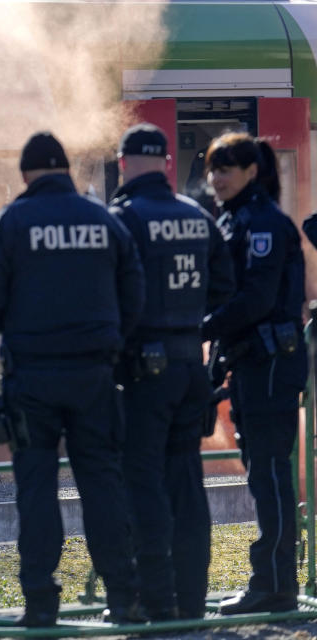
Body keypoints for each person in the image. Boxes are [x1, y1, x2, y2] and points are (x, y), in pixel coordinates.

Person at [0, 132, 146, 626]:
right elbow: (136, 291)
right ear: (65, 170)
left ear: (25, 174)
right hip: (94, 375)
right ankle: (125, 598)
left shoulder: (13, 221)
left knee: (37, 491)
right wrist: (110, 339)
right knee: (103, 487)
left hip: (34, 379)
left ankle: (41, 603)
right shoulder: (103, 219)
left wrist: (12, 325)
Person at [110, 123, 235, 620]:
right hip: (190, 364)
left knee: (142, 483)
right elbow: (224, 289)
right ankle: (190, 598)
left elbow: (113, 297)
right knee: (186, 484)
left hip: (143, 371)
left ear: (122, 164)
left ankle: (156, 600)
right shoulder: (198, 217)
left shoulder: (123, 219)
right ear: (165, 163)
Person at [201, 133, 307, 615]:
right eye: (212, 168)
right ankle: (270, 580)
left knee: (270, 474)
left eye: (226, 168)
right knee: (263, 474)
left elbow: (256, 300)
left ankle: (275, 584)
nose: (216, 178)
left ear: (250, 172)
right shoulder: (238, 219)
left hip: (269, 364)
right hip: (253, 362)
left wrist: (199, 327)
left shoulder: (261, 222)